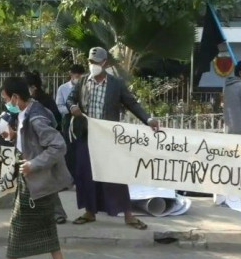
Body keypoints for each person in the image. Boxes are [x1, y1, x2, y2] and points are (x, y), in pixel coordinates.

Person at [0, 77, 72, 259]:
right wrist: (13, 137)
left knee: (18, 226)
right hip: (34, 180)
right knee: (46, 224)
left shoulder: (35, 118)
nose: (6, 103)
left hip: (36, 179)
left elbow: (58, 146)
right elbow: (33, 141)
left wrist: (34, 164)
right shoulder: (27, 112)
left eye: (6, 99)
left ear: (15, 97)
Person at [67, 47, 159, 230]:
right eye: (90, 62)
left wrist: (147, 119)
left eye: (96, 62)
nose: (93, 65)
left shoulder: (115, 84)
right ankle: (89, 212)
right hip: (86, 135)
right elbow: (70, 99)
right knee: (86, 174)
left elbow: (131, 103)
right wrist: (72, 107)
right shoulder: (83, 81)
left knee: (115, 175)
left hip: (108, 137)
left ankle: (128, 214)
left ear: (105, 63)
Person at [23, 70, 68, 225]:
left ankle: (57, 213)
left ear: (33, 87)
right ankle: (53, 213)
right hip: (37, 146)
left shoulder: (40, 103)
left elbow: (54, 120)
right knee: (44, 182)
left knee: (46, 182)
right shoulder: (31, 103)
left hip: (44, 145)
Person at [56, 64, 85, 174]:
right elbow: (59, 105)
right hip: (69, 120)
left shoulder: (86, 87)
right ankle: (70, 174)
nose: (78, 78)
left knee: (82, 146)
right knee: (69, 147)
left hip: (82, 119)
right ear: (71, 74)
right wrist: (71, 110)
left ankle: (81, 172)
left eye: (80, 76)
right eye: (76, 75)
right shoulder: (63, 88)